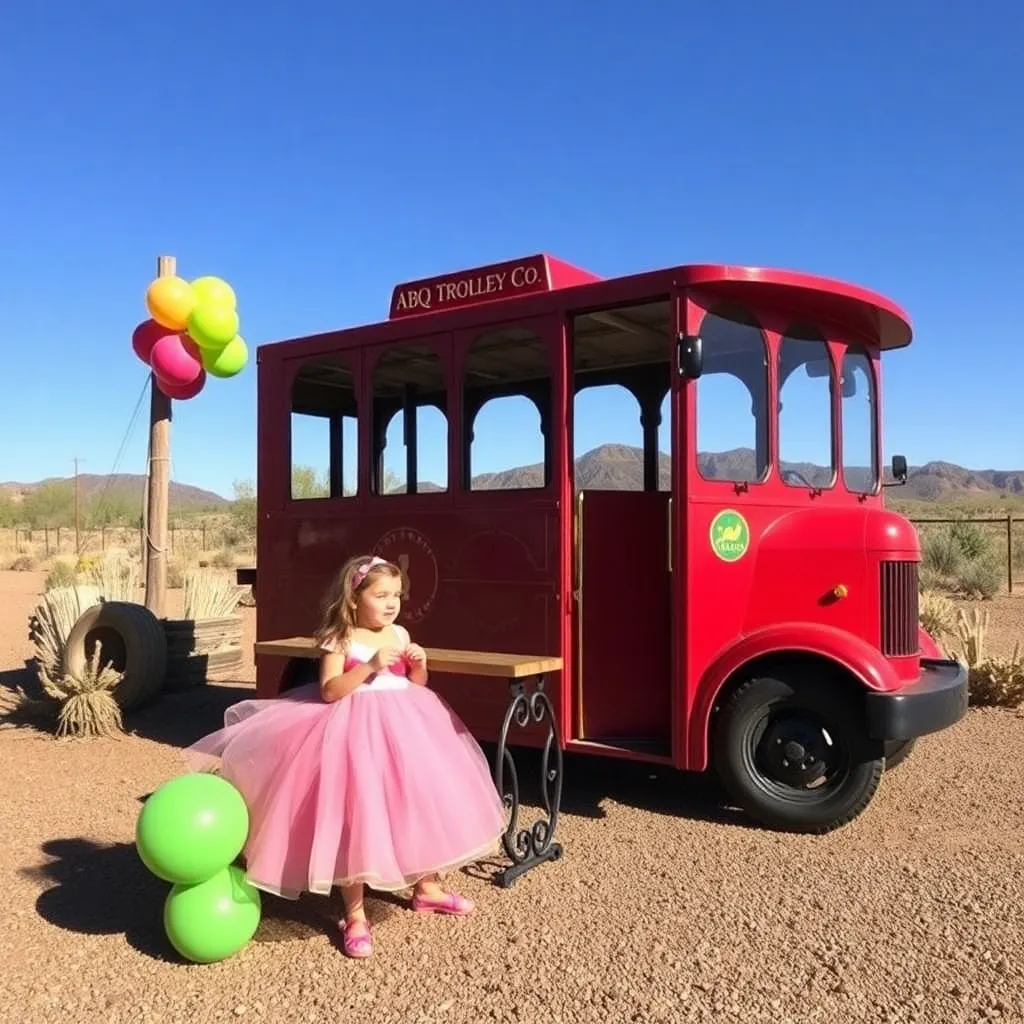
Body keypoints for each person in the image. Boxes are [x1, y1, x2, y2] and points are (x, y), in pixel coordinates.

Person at [184, 554, 507, 959]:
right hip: (351, 731)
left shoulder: (400, 634)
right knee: (353, 816)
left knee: (417, 803)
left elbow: (412, 684)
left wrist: (420, 667)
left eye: (397, 595)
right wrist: (370, 666)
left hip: (407, 729)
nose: (392, 603)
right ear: (354, 598)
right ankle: (354, 914)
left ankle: (426, 888)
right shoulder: (340, 638)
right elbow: (330, 690)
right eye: (381, 595)